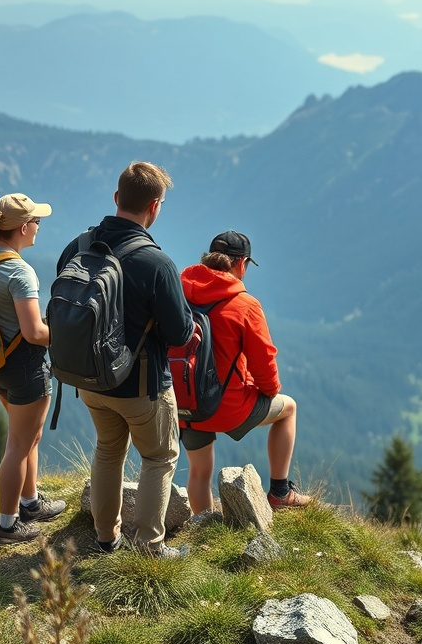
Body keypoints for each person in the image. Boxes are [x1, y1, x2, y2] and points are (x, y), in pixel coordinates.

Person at [57, 162, 194, 558]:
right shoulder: (157, 263)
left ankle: (105, 537)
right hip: (142, 387)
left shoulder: (78, 246)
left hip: (89, 379)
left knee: (107, 451)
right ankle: (149, 548)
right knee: (158, 458)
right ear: (155, 206)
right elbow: (180, 333)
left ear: (117, 198)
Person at [179, 230, 311, 514]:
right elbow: (264, 365)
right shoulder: (244, 305)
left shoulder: (178, 292)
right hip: (227, 407)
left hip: (184, 402)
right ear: (241, 264)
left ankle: (201, 529)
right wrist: (268, 390)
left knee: (199, 471)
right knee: (288, 408)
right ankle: (280, 492)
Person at [0, 193, 67, 547]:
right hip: (24, 366)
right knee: (18, 443)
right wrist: (63, 335)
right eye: (37, 223)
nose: (39, 228)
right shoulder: (19, 271)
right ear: (24, 227)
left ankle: (30, 503)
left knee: (28, 436)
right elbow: (34, 332)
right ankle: (8, 525)